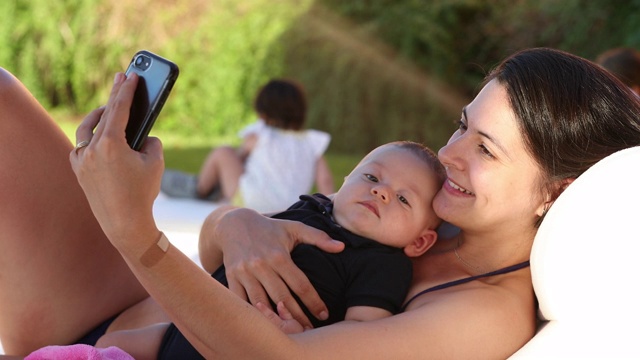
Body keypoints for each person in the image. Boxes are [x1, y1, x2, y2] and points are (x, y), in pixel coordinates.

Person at [1, 47, 640, 359]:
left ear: (555, 192)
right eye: (460, 126)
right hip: (122, 307)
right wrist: (243, 225)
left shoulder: (484, 313)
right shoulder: (429, 208)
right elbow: (220, 242)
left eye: (487, 150)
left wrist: (133, 231)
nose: (451, 155)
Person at [94, 140, 446, 359]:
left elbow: (360, 332)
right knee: (112, 343)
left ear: (419, 242)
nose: (381, 192)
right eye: (371, 177)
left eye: (402, 199)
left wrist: (305, 341)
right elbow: (237, 243)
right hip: (192, 325)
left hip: (252, 347)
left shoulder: (383, 263)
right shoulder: (309, 209)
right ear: (343, 181)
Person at [160, 78, 335, 213]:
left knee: (224, 153)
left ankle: (201, 188)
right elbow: (325, 181)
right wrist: (326, 211)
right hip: (289, 208)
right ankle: (207, 188)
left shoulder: (261, 134)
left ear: (263, 113)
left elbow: (239, 159)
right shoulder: (311, 142)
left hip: (249, 201)